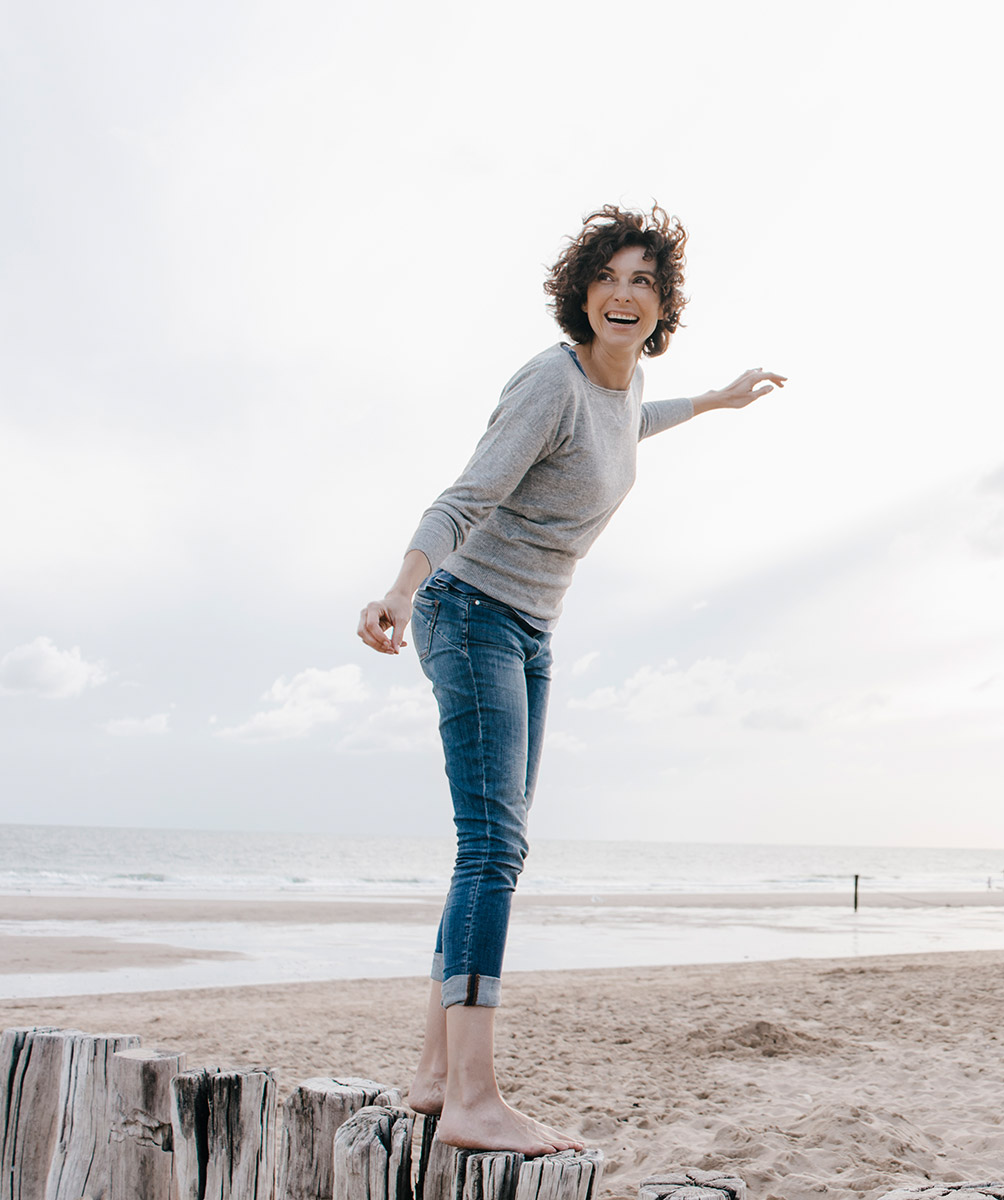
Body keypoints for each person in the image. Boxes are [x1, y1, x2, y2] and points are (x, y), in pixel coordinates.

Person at [357, 205, 785, 1155]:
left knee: (490, 850)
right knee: (492, 849)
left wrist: (714, 401)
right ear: (582, 292)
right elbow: (466, 496)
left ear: (661, 306)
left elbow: (633, 422)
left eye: (645, 282)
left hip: (529, 629)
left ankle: (434, 1078)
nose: (625, 295)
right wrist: (398, 587)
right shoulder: (550, 384)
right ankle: (472, 1096)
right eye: (611, 277)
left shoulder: (623, 387)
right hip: (467, 612)